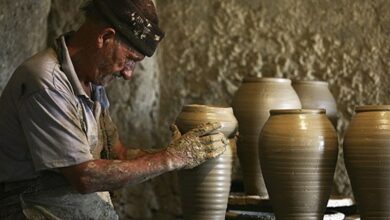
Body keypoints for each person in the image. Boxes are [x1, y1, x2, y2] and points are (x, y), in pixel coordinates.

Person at [0, 0, 228, 219]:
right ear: (105, 37)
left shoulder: (91, 81)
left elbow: (116, 154)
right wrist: (173, 158)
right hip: (23, 206)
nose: (128, 74)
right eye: (130, 59)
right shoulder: (45, 81)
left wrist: (175, 151)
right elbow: (85, 177)